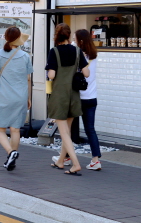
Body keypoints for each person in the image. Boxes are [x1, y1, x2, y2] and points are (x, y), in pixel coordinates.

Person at [0, 27, 32, 171]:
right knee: (15, 130)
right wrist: (28, 98)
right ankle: (11, 160)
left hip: (4, 96)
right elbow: (28, 79)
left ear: (5, 38)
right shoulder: (25, 56)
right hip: (21, 96)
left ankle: (11, 153)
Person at [54, 29, 101, 170]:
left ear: (79, 41)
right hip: (92, 97)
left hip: (77, 97)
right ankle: (95, 159)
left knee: (68, 129)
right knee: (90, 129)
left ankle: (67, 157)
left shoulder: (78, 54)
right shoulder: (94, 55)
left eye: (75, 38)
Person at [46, 23, 89, 176]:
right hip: (74, 95)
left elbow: (51, 75)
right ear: (69, 35)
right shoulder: (78, 51)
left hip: (59, 95)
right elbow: (87, 73)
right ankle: (60, 161)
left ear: (57, 36)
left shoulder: (54, 52)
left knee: (63, 132)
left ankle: (76, 164)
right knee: (67, 132)